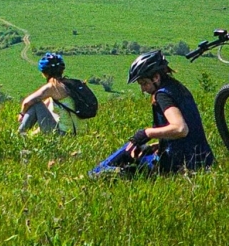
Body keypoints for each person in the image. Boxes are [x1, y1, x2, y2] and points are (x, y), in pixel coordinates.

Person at [90, 50, 215, 178]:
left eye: (144, 83)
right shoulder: (177, 88)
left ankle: (99, 173)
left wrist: (146, 133)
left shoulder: (163, 95)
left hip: (181, 163)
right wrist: (159, 145)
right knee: (140, 151)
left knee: (125, 153)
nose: (143, 89)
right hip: (203, 159)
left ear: (156, 77)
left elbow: (181, 129)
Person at [18, 52, 80, 135]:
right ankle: (31, 135)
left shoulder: (53, 86)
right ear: (62, 70)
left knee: (35, 103)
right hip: (77, 134)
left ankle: (20, 134)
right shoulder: (72, 84)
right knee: (47, 105)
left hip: (62, 134)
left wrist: (22, 114)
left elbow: (27, 102)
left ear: (44, 73)